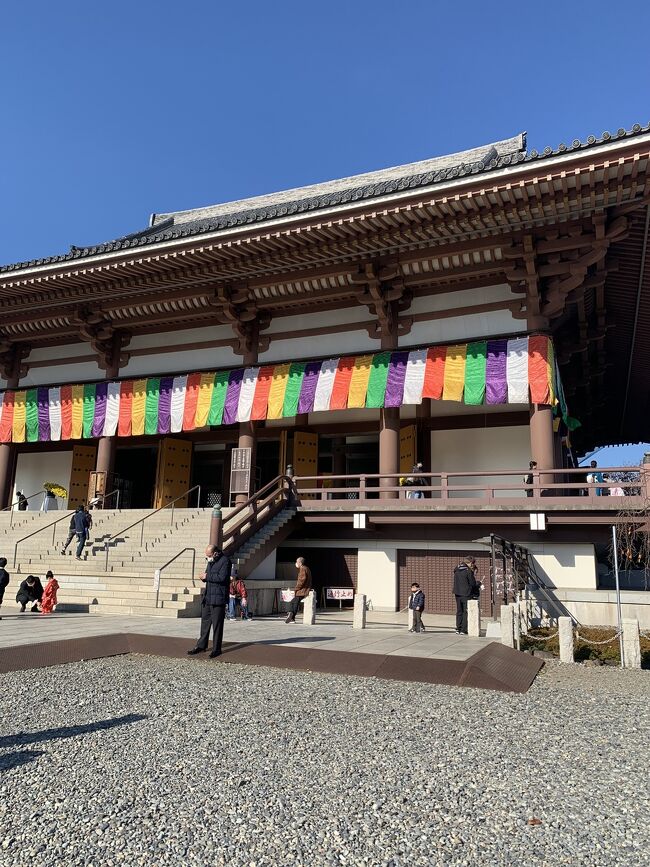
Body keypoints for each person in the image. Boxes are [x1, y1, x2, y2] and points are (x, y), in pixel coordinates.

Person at [187, 544, 232, 658]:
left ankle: (217, 649)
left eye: (209, 555)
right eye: (207, 556)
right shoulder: (210, 561)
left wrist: (207, 576)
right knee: (205, 623)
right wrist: (203, 577)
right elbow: (209, 577)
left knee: (217, 625)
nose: (208, 558)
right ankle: (201, 645)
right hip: (208, 597)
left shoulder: (225, 561)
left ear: (216, 553)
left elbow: (222, 577)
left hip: (219, 598)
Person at [452, 555, 481, 635]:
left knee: (459, 611)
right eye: (473, 563)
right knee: (465, 611)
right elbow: (472, 583)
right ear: (470, 563)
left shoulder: (457, 569)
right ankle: (463, 630)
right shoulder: (468, 571)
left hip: (457, 593)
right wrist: (478, 583)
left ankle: (458, 628)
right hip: (466, 593)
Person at [285, 556, 312, 623]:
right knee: (294, 602)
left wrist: (296, 589)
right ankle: (292, 616)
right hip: (305, 589)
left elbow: (301, 581)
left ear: (300, 562)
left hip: (302, 590)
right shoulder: (307, 568)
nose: (296, 563)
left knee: (293, 602)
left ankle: (291, 614)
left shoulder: (302, 568)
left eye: (297, 562)